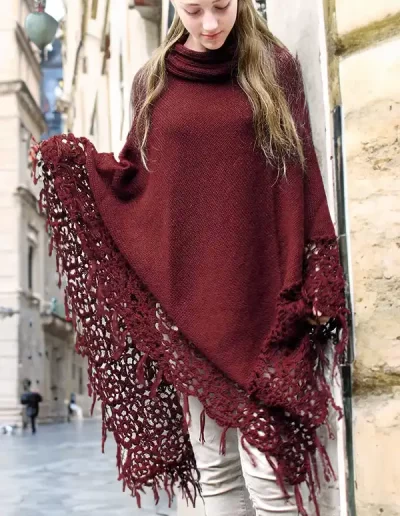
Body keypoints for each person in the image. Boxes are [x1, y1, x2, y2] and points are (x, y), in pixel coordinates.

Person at [31, 0, 348, 514]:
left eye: (221, 6)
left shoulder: (273, 65)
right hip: (187, 316)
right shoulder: (151, 82)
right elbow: (137, 184)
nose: (209, 24)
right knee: (217, 475)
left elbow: (301, 173)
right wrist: (76, 169)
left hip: (266, 305)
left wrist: (316, 269)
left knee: (271, 480)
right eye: (194, 9)